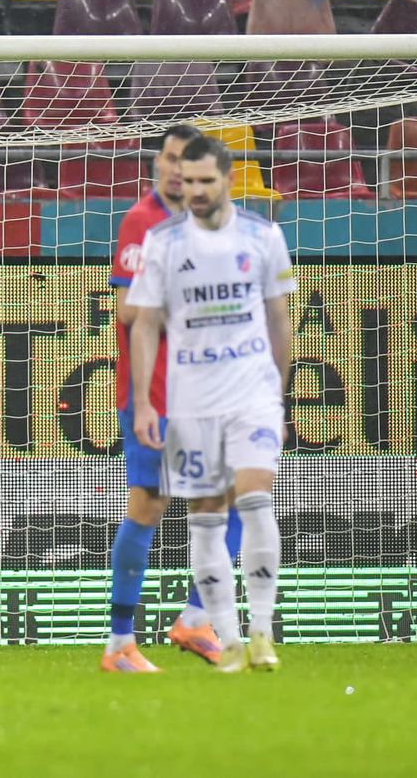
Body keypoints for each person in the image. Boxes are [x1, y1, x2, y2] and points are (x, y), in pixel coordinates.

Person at [127, 136, 295, 673]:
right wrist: (143, 403)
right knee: (205, 516)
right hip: (192, 398)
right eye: (189, 181)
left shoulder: (264, 237)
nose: (195, 190)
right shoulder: (162, 242)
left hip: (251, 391)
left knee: (255, 497)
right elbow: (144, 323)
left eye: (206, 181)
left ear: (228, 179)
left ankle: (262, 630)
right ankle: (226, 638)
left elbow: (279, 320)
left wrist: (278, 397)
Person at [102, 125, 244, 674]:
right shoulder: (143, 221)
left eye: (182, 160)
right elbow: (126, 311)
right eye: (166, 157)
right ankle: (120, 643)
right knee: (149, 506)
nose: (172, 168)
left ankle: (195, 618)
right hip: (154, 392)